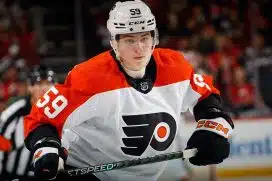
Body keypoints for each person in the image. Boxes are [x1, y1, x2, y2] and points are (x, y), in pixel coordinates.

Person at [24, 1, 234, 181]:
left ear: (154, 38)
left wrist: (213, 128)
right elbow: (40, 119)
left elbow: (206, 97)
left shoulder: (175, 67)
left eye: (145, 38)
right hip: (86, 173)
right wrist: (47, 149)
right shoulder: (88, 77)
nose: (139, 48)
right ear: (114, 42)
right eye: (130, 40)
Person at [0, 65, 57, 181]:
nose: (44, 88)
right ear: (30, 87)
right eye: (39, 84)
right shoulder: (14, 113)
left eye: (48, 83)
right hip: (14, 177)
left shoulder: (62, 114)